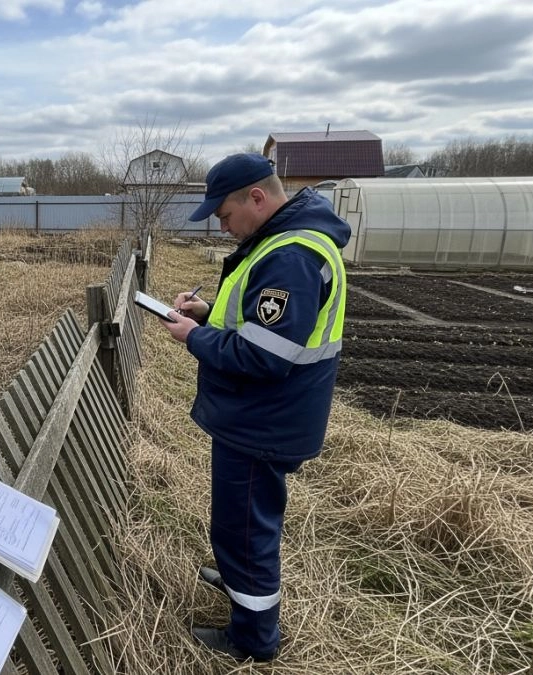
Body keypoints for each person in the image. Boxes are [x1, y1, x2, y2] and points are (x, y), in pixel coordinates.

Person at [157, 153, 350, 662]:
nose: (223, 228)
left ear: (257, 198)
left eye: (224, 216)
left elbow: (264, 357)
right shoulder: (285, 242)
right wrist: (208, 312)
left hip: (264, 419)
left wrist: (195, 338)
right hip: (267, 415)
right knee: (244, 521)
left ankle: (253, 639)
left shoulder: (291, 256)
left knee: (246, 529)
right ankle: (240, 577)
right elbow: (259, 323)